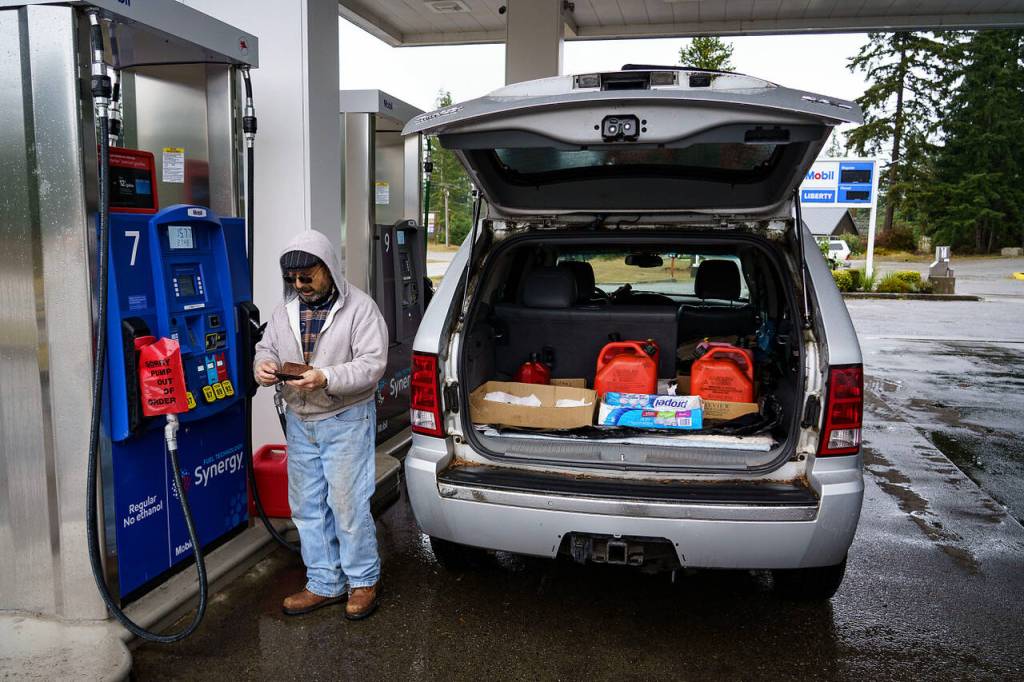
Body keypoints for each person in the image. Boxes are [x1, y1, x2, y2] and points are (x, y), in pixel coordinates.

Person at [253, 230, 388, 620]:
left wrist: (325, 377)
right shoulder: (285, 312)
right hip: (300, 421)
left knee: (346, 505)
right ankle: (325, 583)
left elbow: (371, 365)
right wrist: (261, 367)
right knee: (308, 506)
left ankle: (363, 581)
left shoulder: (361, 309)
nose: (299, 286)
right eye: (292, 280)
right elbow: (267, 348)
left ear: (327, 268)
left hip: (345, 419)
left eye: (307, 277)